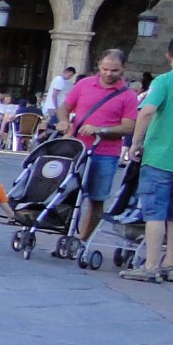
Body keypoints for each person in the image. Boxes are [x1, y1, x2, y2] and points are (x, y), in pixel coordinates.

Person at [122, 34, 173, 283]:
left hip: (160, 156)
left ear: (168, 55)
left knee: (155, 213)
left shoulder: (165, 81)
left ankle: (150, 265)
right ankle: (170, 264)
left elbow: (147, 110)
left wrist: (136, 142)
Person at [59, 49, 139, 246]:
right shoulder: (84, 84)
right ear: (99, 66)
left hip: (105, 153)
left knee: (97, 197)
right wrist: (63, 122)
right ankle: (66, 233)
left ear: (123, 69)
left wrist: (101, 130)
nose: (108, 74)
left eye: (114, 70)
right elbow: (65, 107)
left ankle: (83, 241)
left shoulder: (128, 96)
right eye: (105, 69)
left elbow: (129, 126)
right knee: (68, 194)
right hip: (77, 148)